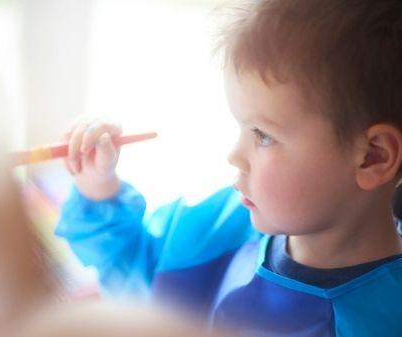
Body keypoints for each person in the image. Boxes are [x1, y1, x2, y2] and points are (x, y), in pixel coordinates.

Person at [54, 0, 402, 336]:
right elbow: (137, 274)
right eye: (242, 128)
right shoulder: (225, 226)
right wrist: (98, 185)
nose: (234, 154)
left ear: (373, 157)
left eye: (263, 135)